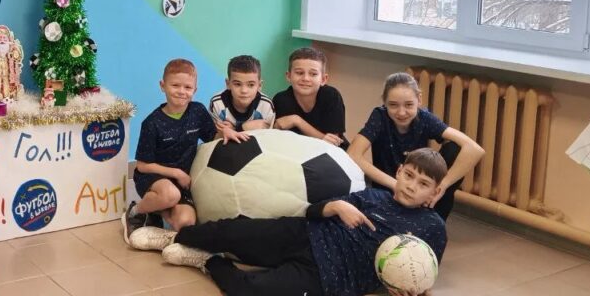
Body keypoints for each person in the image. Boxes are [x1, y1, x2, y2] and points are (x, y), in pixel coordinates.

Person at [131, 148, 449, 296]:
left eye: (423, 184)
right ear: (399, 172)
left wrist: (405, 287)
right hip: (305, 234)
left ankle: (206, 261)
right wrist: (337, 206)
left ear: (435, 191)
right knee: (232, 231)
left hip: (332, 277)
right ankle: (177, 236)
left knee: (248, 290)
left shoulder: (433, 227)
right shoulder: (373, 195)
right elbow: (312, 211)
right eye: (409, 175)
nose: (411, 186)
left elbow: (423, 272)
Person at [122, 59, 247, 243]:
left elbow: (212, 136)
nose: (181, 91)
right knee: (170, 195)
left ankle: (156, 212)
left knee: (186, 223)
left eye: (188, 87)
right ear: (162, 86)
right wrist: (176, 173)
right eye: (175, 85)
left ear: (195, 90)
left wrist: (225, 131)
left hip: (183, 182)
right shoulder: (151, 123)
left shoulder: (197, 111)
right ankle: (136, 211)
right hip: (154, 177)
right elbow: (142, 166)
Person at [349, 72, 485, 220]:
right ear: (384, 102)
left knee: (454, 149)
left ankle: (434, 217)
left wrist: (442, 186)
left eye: (408, 105)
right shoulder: (380, 117)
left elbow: (475, 150)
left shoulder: (424, 118)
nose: (401, 113)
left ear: (419, 100)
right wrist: (397, 184)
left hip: (421, 192)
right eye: (393, 105)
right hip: (390, 190)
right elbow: (353, 154)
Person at [272, 47, 349, 148]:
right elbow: (279, 138)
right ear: (288, 76)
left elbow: (332, 143)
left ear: (323, 79)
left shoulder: (331, 96)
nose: (306, 78)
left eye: (313, 74)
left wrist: (297, 121)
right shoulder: (280, 100)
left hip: (333, 152)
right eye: (299, 73)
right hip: (296, 151)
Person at [209, 55, 275, 134]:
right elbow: (214, 138)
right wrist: (242, 128)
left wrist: (234, 130)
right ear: (228, 84)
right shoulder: (217, 103)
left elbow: (270, 137)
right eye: (237, 84)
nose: (244, 91)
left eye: (251, 85)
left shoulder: (266, 104)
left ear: (259, 85)